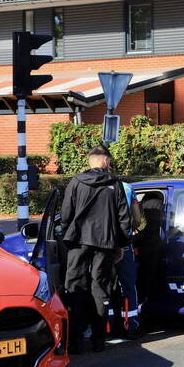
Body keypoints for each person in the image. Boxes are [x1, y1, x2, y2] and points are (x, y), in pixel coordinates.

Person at [60, 146, 132, 353]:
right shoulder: (115, 184)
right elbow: (123, 219)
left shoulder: (75, 182)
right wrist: (121, 245)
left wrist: (67, 235)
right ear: (104, 161)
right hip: (105, 243)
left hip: (78, 241)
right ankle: (98, 340)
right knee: (100, 288)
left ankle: (75, 340)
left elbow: (66, 213)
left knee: (75, 287)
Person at [111, 176, 145, 338]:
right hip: (124, 243)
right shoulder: (127, 188)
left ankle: (107, 325)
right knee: (128, 285)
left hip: (102, 245)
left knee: (104, 285)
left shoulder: (92, 186)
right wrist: (133, 228)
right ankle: (130, 325)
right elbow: (137, 218)